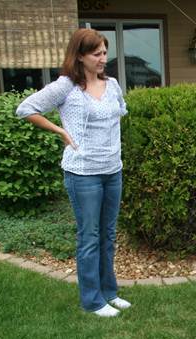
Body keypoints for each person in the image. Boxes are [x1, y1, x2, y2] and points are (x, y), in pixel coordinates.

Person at [16, 28, 129, 318]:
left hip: (112, 171)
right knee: (89, 237)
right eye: (97, 54)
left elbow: (120, 114)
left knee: (107, 234)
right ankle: (92, 300)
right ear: (80, 56)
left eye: (105, 52)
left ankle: (109, 292)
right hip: (83, 175)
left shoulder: (113, 85)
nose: (103, 58)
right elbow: (26, 109)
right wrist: (58, 129)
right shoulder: (66, 86)